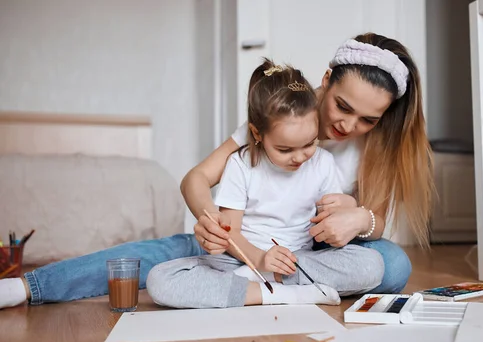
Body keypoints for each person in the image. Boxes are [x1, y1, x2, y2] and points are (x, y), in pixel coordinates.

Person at [0, 32, 432, 310]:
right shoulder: (273, 121)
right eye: (342, 106)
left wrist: (360, 216)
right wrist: (212, 224)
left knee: (391, 263)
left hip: (306, 256)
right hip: (240, 246)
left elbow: (376, 226)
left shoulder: (375, 144)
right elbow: (196, 179)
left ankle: (277, 289)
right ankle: (29, 288)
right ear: (326, 81)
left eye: (368, 120)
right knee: (153, 259)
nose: (348, 126)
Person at [145, 60, 384, 309]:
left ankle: (255, 287)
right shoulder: (241, 164)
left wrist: (344, 210)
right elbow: (231, 234)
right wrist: (260, 259)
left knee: (372, 265)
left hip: (299, 261)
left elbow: (332, 230)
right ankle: (284, 294)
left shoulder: (323, 163)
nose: (300, 156)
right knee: (160, 280)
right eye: (284, 149)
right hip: (242, 259)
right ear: (257, 134)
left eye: (310, 143)